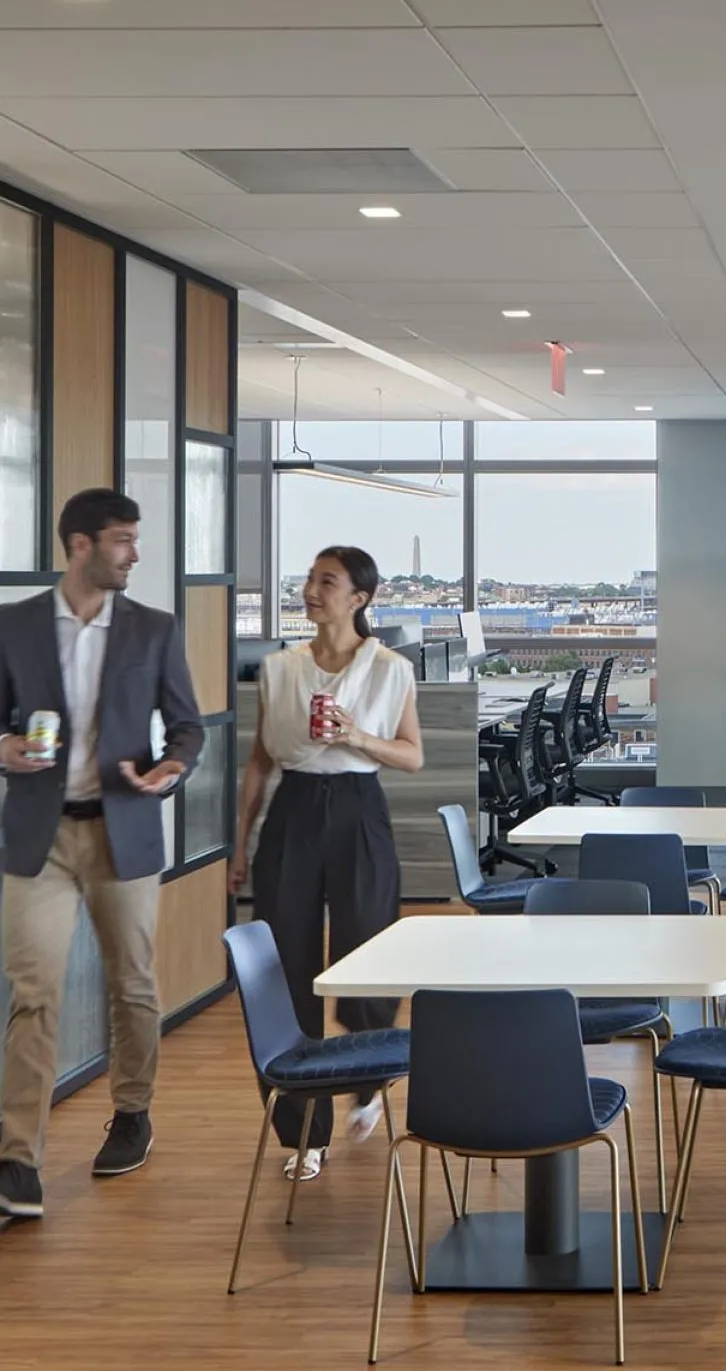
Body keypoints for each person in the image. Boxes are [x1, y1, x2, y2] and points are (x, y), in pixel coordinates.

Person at [0, 488, 201, 1221]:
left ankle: (132, 1113)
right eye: (122, 540)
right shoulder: (14, 625)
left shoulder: (153, 628)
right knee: (33, 994)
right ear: (80, 545)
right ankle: (18, 1160)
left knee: (134, 985)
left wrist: (169, 771)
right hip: (39, 837)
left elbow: (187, 728)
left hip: (125, 829)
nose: (134, 554)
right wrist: (4, 748)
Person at [233, 547, 425, 1180]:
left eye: (326, 581)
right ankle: (304, 1134)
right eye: (310, 579)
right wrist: (241, 843)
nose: (311, 589)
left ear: (359, 599)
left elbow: (411, 756)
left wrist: (356, 736)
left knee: (368, 950)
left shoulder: (392, 669)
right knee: (286, 967)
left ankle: (369, 1077)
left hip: (358, 807)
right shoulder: (279, 668)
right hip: (292, 809)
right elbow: (261, 759)